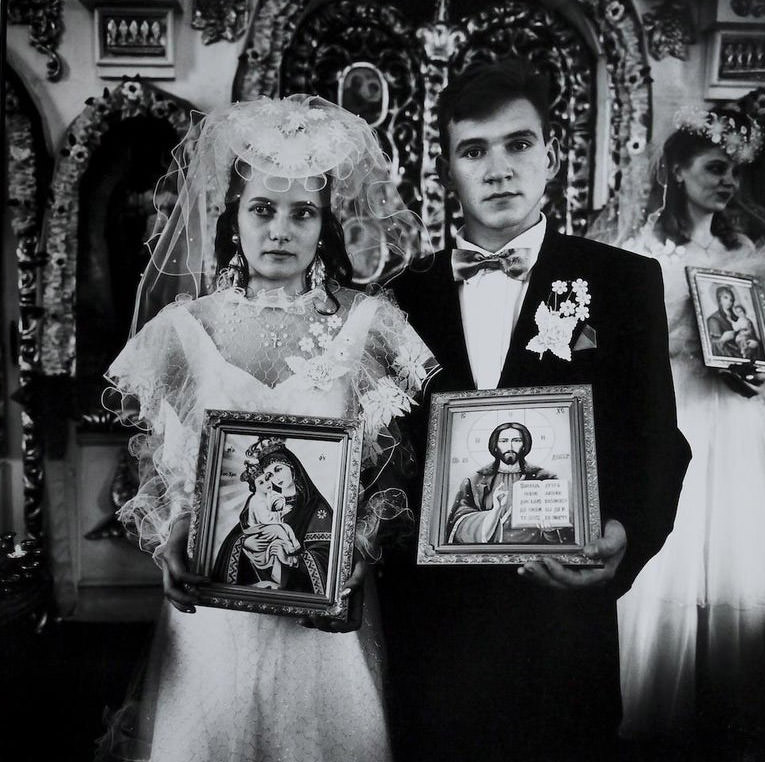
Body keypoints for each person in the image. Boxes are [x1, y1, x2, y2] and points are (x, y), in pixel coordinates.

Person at [99, 94, 437, 762]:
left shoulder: (370, 327)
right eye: (262, 209)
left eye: (301, 212)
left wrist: (354, 554)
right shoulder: (182, 330)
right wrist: (170, 544)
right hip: (214, 606)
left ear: (324, 225)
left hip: (321, 603)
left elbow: (394, 469)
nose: (279, 229)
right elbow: (157, 467)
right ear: (233, 220)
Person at [380, 58, 690, 762]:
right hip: (432, 627)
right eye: (473, 151)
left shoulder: (623, 282)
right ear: (446, 174)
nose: (497, 169)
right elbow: (382, 451)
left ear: (550, 157)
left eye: (517, 144)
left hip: (560, 622)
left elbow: (657, 442)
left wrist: (624, 535)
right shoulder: (399, 296)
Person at [610, 106, 765, 759]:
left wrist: (751, 374)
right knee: (670, 553)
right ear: (677, 170)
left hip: (730, 420)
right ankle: (649, 702)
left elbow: (749, 350)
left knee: (730, 561)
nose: (727, 182)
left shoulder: (737, 255)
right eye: (715, 168)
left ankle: (719, 715)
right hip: (672, 408)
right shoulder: (640, 256)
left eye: (735, 172)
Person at [212, 438, 330, 592]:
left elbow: (325, 553)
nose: (276, 478)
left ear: (292, 466)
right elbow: (241, 535)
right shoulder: (266, 503)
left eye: (278, 469)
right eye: (269, 475)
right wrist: (245, 544)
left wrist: (292, 559)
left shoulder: (315, 506)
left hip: (296, 590)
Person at [447, 421, 569, 544]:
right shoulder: (474, 481)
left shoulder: (544, 478)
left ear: (524, 445)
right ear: (495, 445)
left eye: (516, 441)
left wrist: (550, 531)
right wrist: (495, 511)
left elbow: (563, 536)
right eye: (503, 441)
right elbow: (458, 523)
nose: (510, 447)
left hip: (531, 552)